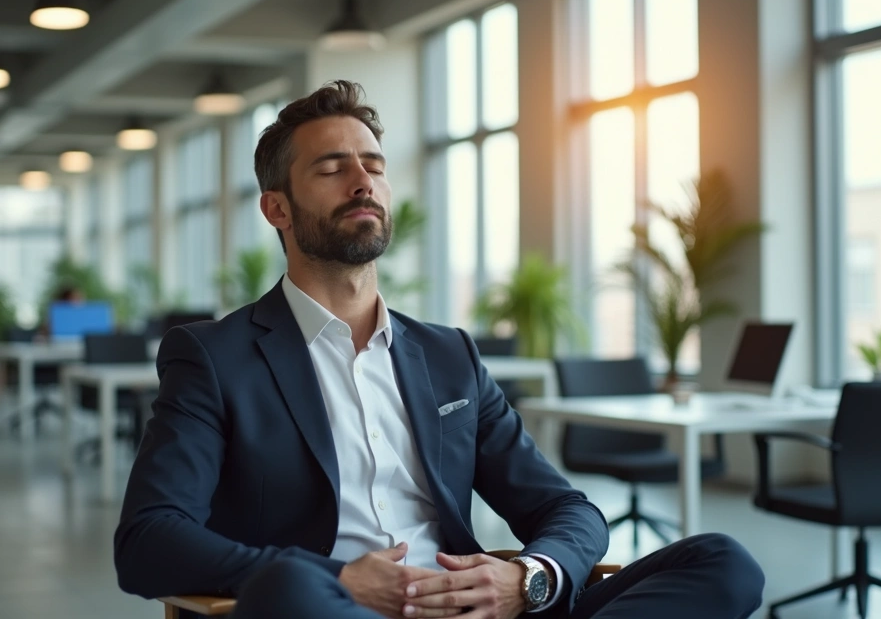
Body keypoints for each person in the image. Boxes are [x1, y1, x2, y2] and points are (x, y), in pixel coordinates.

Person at [114, 80, 764, 619]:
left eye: (374, 166)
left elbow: (566, 508)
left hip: (472, 608)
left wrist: (530, 579)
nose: (362, 182)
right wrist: (338, 579)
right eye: (332, 168)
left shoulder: (449, 355)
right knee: (287, 590)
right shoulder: (214, 357)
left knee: (722, 561)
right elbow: (147, 540)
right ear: (277, 209)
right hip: (332, 609)